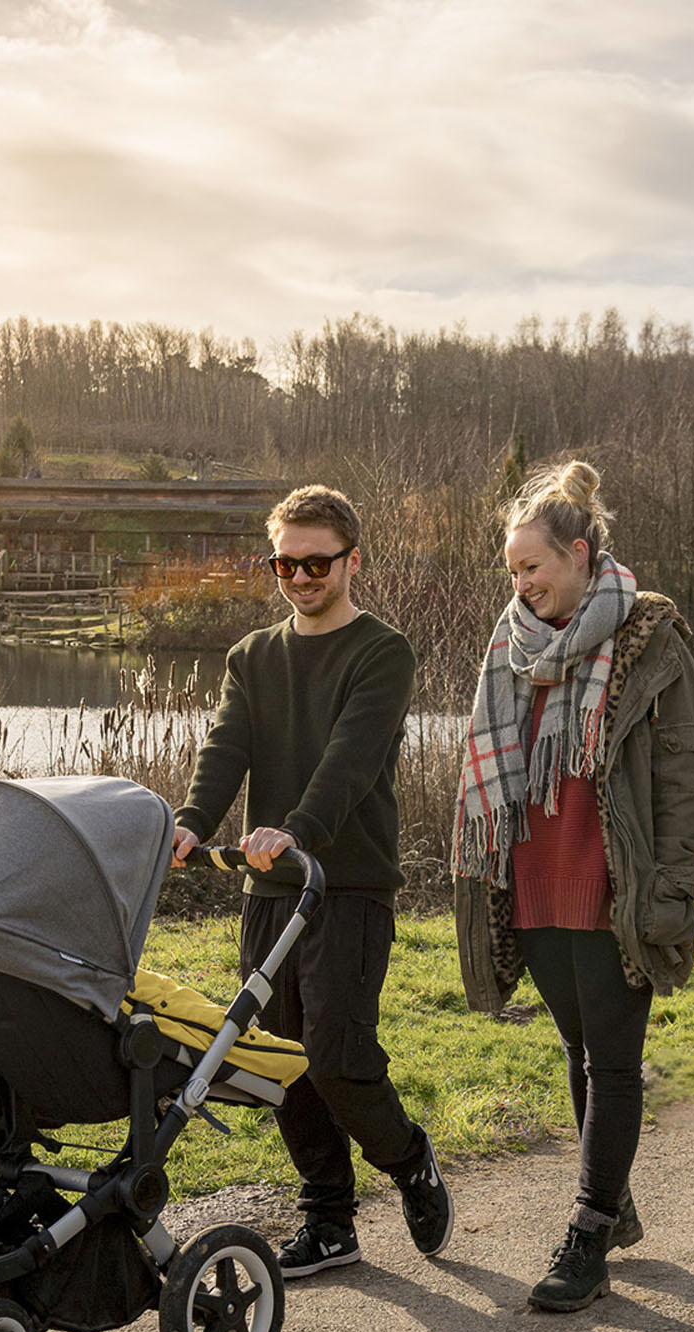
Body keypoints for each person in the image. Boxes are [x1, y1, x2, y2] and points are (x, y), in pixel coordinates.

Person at [172, 484, 453, 1278]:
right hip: (270, 892)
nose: (299, 577)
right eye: (284, 563)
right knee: (278, 1059)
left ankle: (408, 1160)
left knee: (336, 1055)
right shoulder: (252, 657)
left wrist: (297, 830)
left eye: (316, 562)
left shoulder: (382, 652)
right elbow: (226, 747)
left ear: (351, 561)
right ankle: (329, 1221)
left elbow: (352, 760)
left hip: (349, 883)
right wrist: (193, 822)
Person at [453, 460, 694, 1313]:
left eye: (533, 567)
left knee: (612, 1058)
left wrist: (672, 887)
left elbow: (681, 777)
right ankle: (612, 1200)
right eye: (513, 572)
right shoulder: (510, 643)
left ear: (579, 552)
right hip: (530, 872)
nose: (522, 585)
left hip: (612, 879)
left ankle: (589, 1231)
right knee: (577, 1047)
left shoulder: (649, 637)